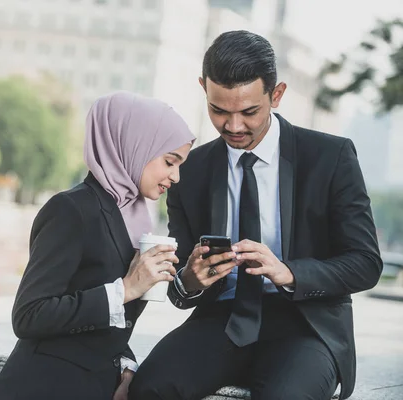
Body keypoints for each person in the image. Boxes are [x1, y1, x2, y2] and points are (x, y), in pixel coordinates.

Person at [129, 30, 382, 400]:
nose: (234, 126)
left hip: (306, 326)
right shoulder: (190, 170)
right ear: (204, 88)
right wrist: (192, 278)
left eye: (249, 112)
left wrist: (289, 271)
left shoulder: (330, 157)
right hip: (221, 322)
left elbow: (365, 263)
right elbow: (179, 290)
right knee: (148, 389)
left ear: (276, 95)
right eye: (219, 110)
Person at [0, 91, 195, 400]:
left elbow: (109, 323)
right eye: (169, 161)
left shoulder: (134, 218)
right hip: (42, 387)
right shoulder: (71, 209)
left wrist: (125, 366)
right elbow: (29, 314)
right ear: (135, 145)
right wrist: (125, 289)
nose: (176, 176)